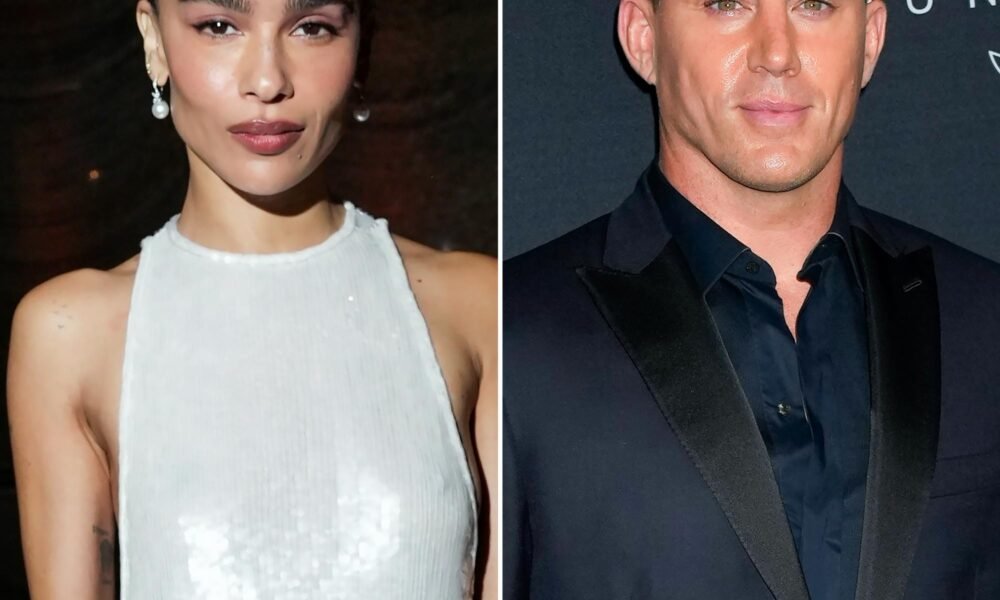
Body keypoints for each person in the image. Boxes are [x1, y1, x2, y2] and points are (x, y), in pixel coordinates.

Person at [504, 1, 1000, 599]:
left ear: (869, 39)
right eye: (726, 4)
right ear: (643, 37)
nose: (777, 54)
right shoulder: (512, 338)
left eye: (813, 5)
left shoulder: (985, 320)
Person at [6, 0, 497, 598]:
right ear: (154, 42)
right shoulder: (69, 333)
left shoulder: (478, 307)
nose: (267, 81)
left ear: (361, 48)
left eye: (312, 28)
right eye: (219, 27)